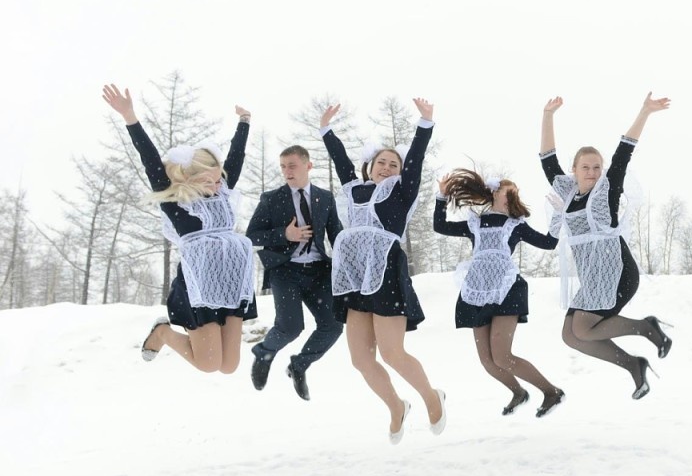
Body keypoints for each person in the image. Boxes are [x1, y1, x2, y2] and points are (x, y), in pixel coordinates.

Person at [102, 84, 256, 374]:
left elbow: (236, 156)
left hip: (233, 280)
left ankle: (169, 334)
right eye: (208, 181)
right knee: (209, 364)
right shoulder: (176, 202)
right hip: (198, 284)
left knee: (230, 366)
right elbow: (150, 161)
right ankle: (162, 333)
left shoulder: (222, 192)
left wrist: (244, 121)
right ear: (191, 179)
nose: (216, 186)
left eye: (217, 180)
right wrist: (130, 117)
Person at [320, 99, 445, 444]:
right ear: (369, 167)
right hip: (355, 276)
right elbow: (340, 160)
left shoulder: (402, 193)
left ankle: (432, 396)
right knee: (361, 359)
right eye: (382, 163)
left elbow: (416, 159)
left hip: (387, 271)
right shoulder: (352, 189)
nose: (387, 167)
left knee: (392, 353)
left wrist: (424, 123)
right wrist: (326, 130)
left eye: (393, 164)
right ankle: (396, 407)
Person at [540, 92, 673, 400]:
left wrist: (644, 111)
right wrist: (547, 116)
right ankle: (634, 366)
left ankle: (647, 328)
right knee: (570, 336)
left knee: (584, 328)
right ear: (574, 170)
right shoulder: (567, 192)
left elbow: (625, 150)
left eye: (596, 167)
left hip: (618, 273)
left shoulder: (606, 192)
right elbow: (547, 158)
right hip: (592, 278)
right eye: (586, 167)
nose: (592, 173)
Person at [434, 169, 564, 417]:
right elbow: (439, 226)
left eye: (514, 194)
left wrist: (558, 215)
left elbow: (549, 243)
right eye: (507, 192)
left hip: (507, 290)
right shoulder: (475, 223)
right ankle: (518, 392)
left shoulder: (517, 226)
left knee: (503, 357)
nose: (511, 197)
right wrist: (441, 197)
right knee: (487, 361)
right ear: (494, 193)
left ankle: (551, 391)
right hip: (477, 290)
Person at [246, 145, 344, 401]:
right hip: (285, 270)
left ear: (308, 165)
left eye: (292, 165)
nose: (287, 171)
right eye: (283, 166)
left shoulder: (325, 197)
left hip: (319, 271)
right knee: (290, 328)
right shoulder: (271, 199)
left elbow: (338, 237)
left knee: (333, 326)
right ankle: (264, 353)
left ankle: (299, 365)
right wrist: (284, 234)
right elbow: (252, 235)